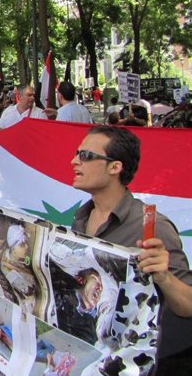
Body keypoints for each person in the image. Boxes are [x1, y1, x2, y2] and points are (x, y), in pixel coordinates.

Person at [70, 126, 192, 305]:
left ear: (115, 167)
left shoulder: (154, 227)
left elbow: (188, 304)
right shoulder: (81, 218)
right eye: (76, 153)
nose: (74, 161)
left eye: (86, 155)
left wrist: (164, 279)